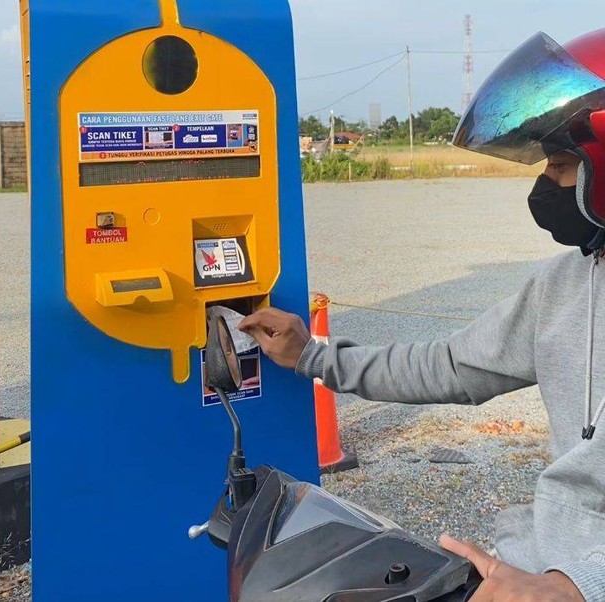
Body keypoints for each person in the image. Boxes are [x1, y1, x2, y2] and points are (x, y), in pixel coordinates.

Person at [239, 29, 605, 602]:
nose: (543, 186)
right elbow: (449, 365)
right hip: (536, 572)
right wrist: (311, 355)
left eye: (560, 166)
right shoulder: (562, 287)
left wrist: (577, 585)